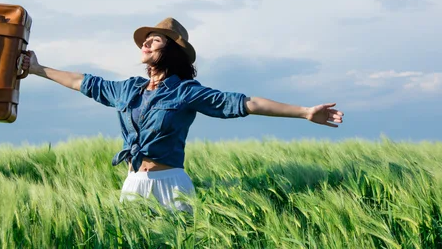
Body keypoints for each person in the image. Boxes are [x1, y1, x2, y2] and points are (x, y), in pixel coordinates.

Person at [22, 17, 344, 212]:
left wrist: (304, 113)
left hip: (171, 186)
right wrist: (36, 69)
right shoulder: (128, 89)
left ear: (170, 49)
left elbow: (244, 103)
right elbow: (84, 82)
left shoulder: (186, 92)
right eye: (145, 39)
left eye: (155, 38)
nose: (146, 41)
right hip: (133, 184)